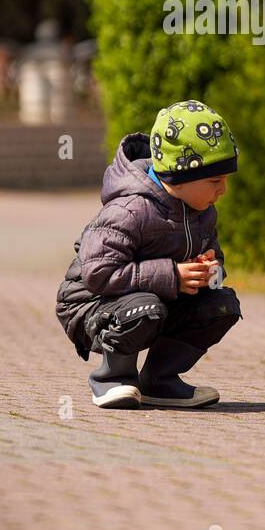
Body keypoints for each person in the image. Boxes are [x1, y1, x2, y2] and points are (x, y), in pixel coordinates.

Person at [56, 101, 242, 409]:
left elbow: (216, 261)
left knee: (221, 304)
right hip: (91, 303)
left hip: (155, 300)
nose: (223, 189)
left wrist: (210, 272)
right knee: (146, 308)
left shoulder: (203, 213)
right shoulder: (129, 209)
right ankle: (112, 377)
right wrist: (172, 275)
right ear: (178, 176)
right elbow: (99, 274)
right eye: (214, 180)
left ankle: (160, 380)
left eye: (225, 179)